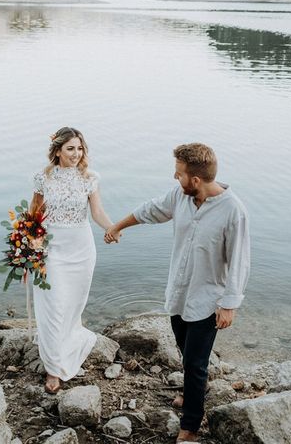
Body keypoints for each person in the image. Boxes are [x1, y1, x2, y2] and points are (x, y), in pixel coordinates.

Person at [104, 143, 250, 443]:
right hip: (179, 294)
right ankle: (191, 390)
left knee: (195, 364)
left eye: (179, 173)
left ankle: (190, 427)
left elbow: (239, 261)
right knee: (187, 354)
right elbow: (150, 210)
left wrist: (229, 304)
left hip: (209, 301)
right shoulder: (180, 197)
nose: (175, 176)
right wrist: (120, 226)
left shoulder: (233, 211)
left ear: (195, 180)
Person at [30, 127, 114, 394]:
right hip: (52, 249)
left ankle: (63, 343)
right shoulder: (43, 178)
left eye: (80, 148)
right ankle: (54, 369)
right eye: (70, 149)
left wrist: (111, 228)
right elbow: (34, 212)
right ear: (57, 151)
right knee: (54, 304)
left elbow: (97, 212)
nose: (76, 154)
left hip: (81, 248)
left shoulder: (90, 178)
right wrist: (32, 241)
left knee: (72, 306)